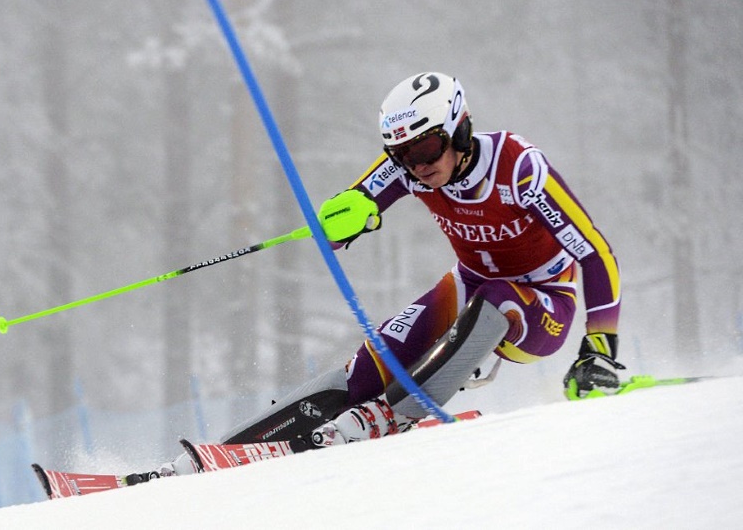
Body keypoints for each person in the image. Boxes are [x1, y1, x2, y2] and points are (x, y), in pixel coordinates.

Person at [135, 71, 623, 481]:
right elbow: (353, 208)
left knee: (496, 296)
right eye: (403, 154)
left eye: (428, 148)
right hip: (467, 284)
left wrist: (599, 346)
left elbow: (595, 252)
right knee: (368, 367)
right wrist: (342, 221)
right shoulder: (409, 169)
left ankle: (391, 415)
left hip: (542, 304)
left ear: (460, 130)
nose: (419, 166)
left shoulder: (519, 168)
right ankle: (211, 457)